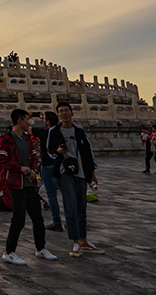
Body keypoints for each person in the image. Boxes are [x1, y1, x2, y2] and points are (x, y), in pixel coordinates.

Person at [0, 109, 57, 265]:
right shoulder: (6, 138)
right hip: (16, 184)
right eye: (26, 119)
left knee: (38, 218)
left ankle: (40, 248)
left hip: (30, 184)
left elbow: (34, 157)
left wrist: (33, 170)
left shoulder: (27, 138)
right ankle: (9, 252)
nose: (28, 122)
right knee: (18, 220)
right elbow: (1, 158)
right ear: (19, 121)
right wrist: (20, 168)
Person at [46, 102, 104, 257]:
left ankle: (84, 241)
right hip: (65, 173)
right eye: (61, 111)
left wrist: (92, 172)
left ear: (72, 113)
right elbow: (49, 152)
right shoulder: (54, 131)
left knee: (81, 207)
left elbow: (87, 152)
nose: (64, 113)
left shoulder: (79, 130)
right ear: (58, 115)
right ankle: (75, 242)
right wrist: (58, 151)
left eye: (66, 111)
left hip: (81, 172)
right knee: (70, 207)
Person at [32, 112, 63, 232]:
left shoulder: (44, 133)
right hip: (60, 165)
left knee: (51, 195)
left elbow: (25, 126)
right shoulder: (61, 131)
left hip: (48, 166)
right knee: (67, 193)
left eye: (44, 119)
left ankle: (57, 222)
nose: (43, 120)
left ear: (48, 122)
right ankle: (75, 218)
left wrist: (33, 114)